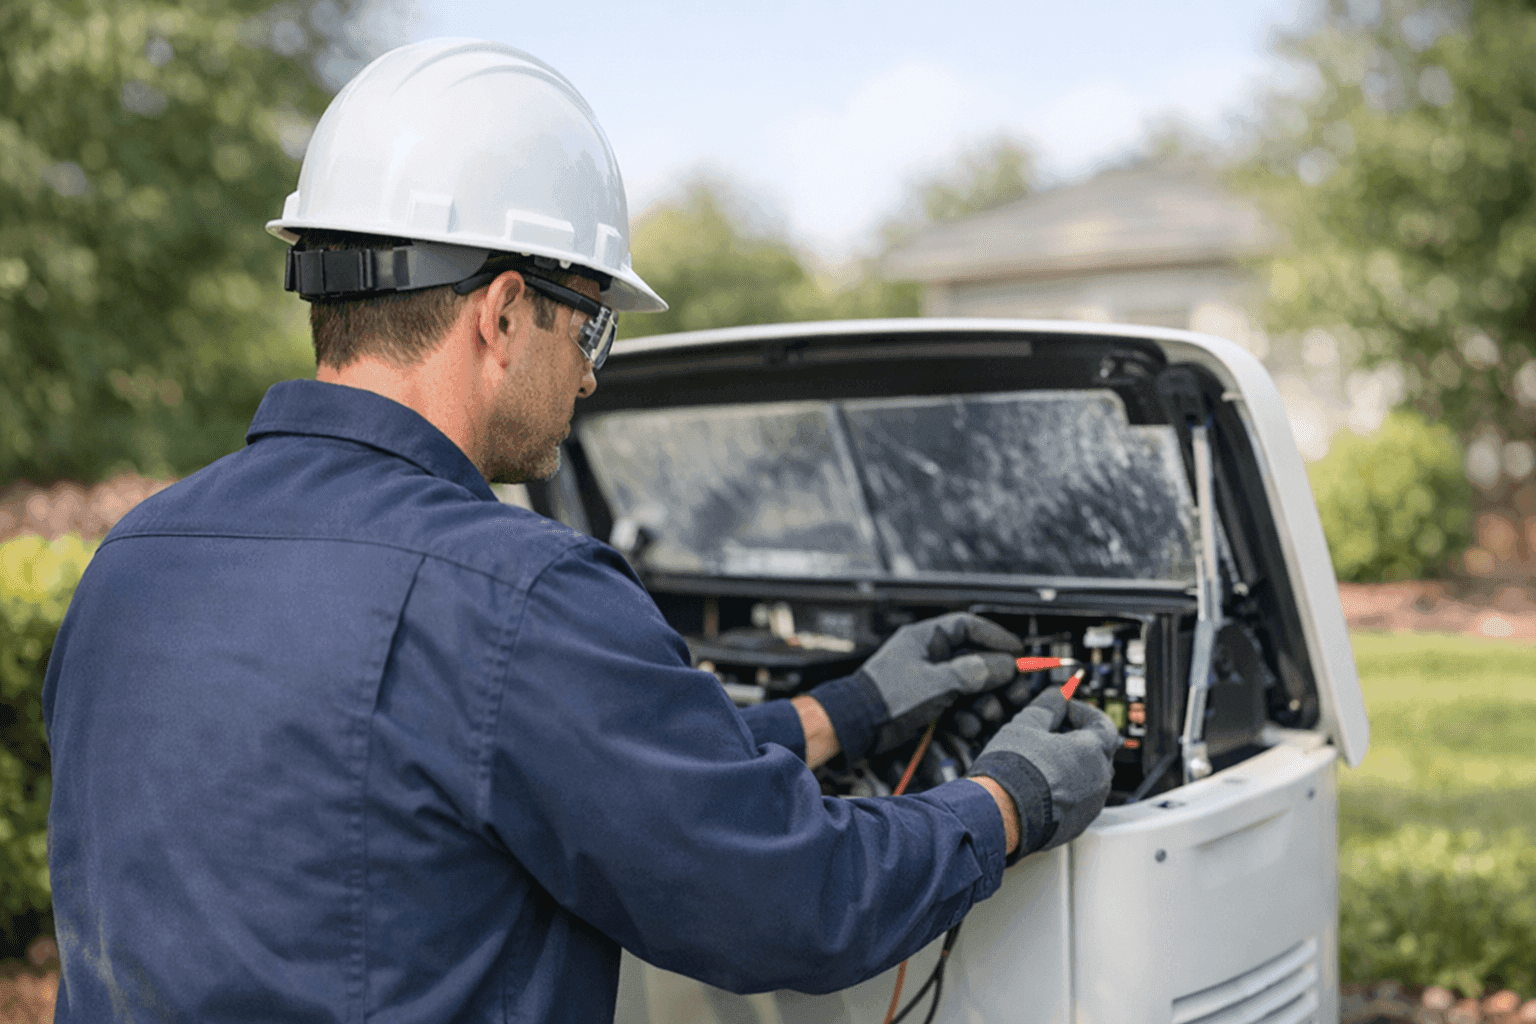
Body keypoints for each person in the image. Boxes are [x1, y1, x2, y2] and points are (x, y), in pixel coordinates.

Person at [42, 39, 1119, 1023]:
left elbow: (520, 774)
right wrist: (1007, 803)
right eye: (590, 319)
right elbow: (792, 900)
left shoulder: (135, 558)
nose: (595, 369)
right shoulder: (514, 593)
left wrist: (852, 708)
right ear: (503, 313)